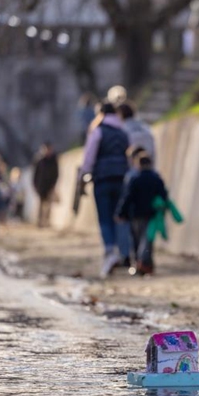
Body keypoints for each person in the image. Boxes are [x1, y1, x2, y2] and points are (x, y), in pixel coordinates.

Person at [80, 102, 131, 278]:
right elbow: (129, 156)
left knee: (104, 216)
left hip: (102, 178)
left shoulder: (98, 130)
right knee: (119, 216)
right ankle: (124, 252)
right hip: (121, 178)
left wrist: (84, 173)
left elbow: (89, 155)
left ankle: (110, 252)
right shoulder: (123, 132)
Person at [115, 153, 168, 276]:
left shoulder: (135, 179)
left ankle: (140, 263)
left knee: (137, 240)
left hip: (136, 215)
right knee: (147, 240)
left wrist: (121, 213)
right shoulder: (156, 179)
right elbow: (164, 196)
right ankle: (146, 264)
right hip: (151, 215)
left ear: (138, 165)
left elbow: (127, 197)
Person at [32, 142, 59, 228]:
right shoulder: (39, 160)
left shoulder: (53, 160)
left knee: (48, 205)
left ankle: (47, 221)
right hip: (41, 186)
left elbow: (56, 173)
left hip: (50, 186)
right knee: (41, 204)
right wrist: (35, 185)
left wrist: (54, 184)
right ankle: (40, 221)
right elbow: (35, 174)